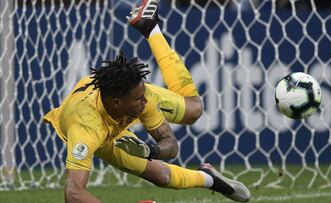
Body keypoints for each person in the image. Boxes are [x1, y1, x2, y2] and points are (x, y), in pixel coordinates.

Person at [43, 0, 251, 202]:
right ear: (117, 103)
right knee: (161, 176)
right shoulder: (85, 129)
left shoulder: (139, 97)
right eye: (139, 99)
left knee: (193, 110)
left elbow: (171, 145)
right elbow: (72, 193)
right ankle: (208, 178)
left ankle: (150, 27)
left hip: (107, 109)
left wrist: (150, 150)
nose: (146, 102)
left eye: (144, 95)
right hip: (97, 126)